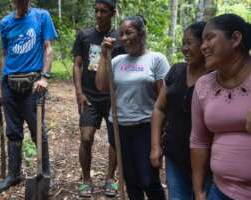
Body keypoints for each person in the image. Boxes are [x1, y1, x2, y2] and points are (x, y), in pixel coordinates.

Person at [96, 15, 170, 200]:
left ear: (142, 33)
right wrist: (105, 54)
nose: (124, 38)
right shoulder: (117, 61)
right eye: (121, 34)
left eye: (129, 32)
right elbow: (102, 86)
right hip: (119, 128)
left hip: (145, 127)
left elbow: (164, 99)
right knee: (130, 180)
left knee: (148, 180)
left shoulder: (156, 59)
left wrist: (161, 133)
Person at [0, 0, 57, 193]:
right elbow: (4, 54)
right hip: (9, 83)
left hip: (33, 84)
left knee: (37, 128)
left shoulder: (41, 16)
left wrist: (45, 77)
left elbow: (48, 48)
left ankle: (44, 174)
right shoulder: (5, 22)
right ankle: (14, 174)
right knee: (13, 131)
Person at [190, 13, 251, 200]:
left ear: (235, 39)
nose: (203, 46)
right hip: (220, 191)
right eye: (202, 40)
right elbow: (198, 140)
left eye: (209, 38)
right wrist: (199, 191)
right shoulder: (203, 85)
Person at [150, 22, 212, 200]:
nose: (184, 48)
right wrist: (155, 146)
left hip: (206, 162)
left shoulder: (215, 76)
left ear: (204, 45)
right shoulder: (176, 71)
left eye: (189, 43)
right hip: (175, 155)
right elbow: (159, 108)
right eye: (183, 43)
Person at [72, 0, 125, 197]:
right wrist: (79, 92)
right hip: (89, 97)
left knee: (114, 140)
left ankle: (110, 178)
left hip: (112, 97)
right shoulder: (84, 36)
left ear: (113, 13)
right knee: (86, 138)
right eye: (96, 11)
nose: (99, 15)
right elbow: (77, 64)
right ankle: (86, 179)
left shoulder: (120, 38)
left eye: (103, 11)